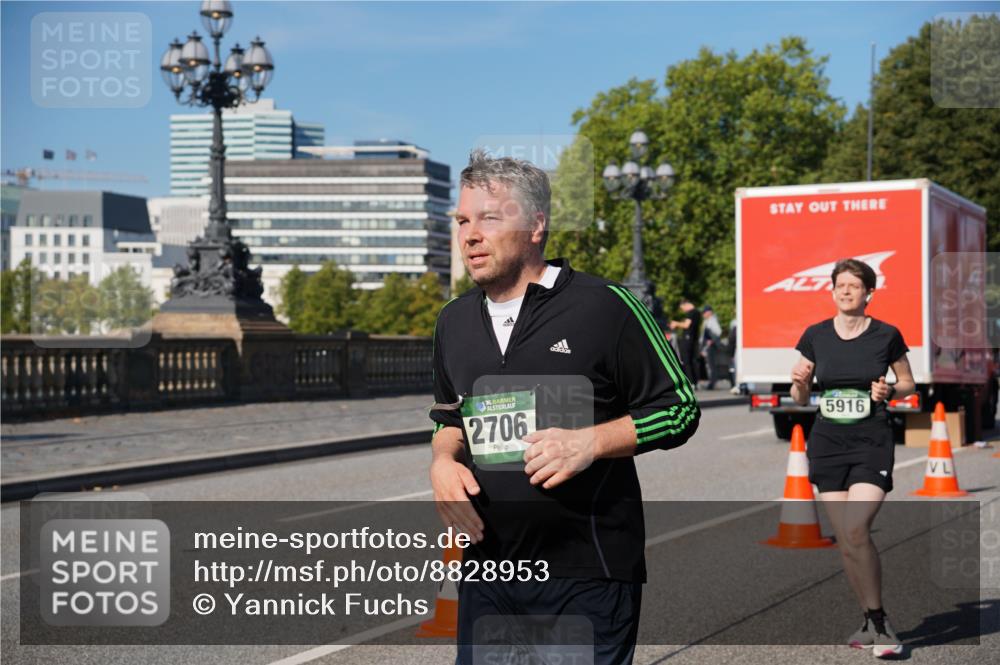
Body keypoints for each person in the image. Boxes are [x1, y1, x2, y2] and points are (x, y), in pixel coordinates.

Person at [429, 149, 700, 665]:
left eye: (489, 217)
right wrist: (442, 462)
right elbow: (449, 417)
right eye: (463, 220)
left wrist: (591, 442)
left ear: (536, 224)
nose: (470, 234)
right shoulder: (453, 321)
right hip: (488, 575)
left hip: (586, 577)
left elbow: (681, 407)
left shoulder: (606, 307)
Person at [789, 258, 915, 658]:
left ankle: (880, 622)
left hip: (871, 440)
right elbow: (800, 399)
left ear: (868, 294)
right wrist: (800, 385)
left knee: (857, 529)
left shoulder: (886, 335)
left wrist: (890, 392)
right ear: (832, 291)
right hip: (827, 442)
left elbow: (908, 382)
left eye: (854, 286)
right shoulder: (815, 336)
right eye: (840, 285)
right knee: (845, 540)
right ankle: (866, 618)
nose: (845, 291)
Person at [669, 299, 701, 387]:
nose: (683, 310)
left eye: (682, 308)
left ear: (686, 304)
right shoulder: (697, 312)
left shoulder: (691, 313)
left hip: (688, 339)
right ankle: (695, 382)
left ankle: (691, 382)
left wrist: (676, 323)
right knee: (693, 361)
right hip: (694, 339)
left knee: (686, 361)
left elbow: (686, 325)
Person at [700, 305, 722, 390]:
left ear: (709, 312)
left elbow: (718, 332)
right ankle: (711, 383)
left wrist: (711, 341)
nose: (703, 314)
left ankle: (712, 383)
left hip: (710, 346)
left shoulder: (712, 320)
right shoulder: (708, 320)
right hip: (708, 346)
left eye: (705, 312)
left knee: (711, 365)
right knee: (709, 365)